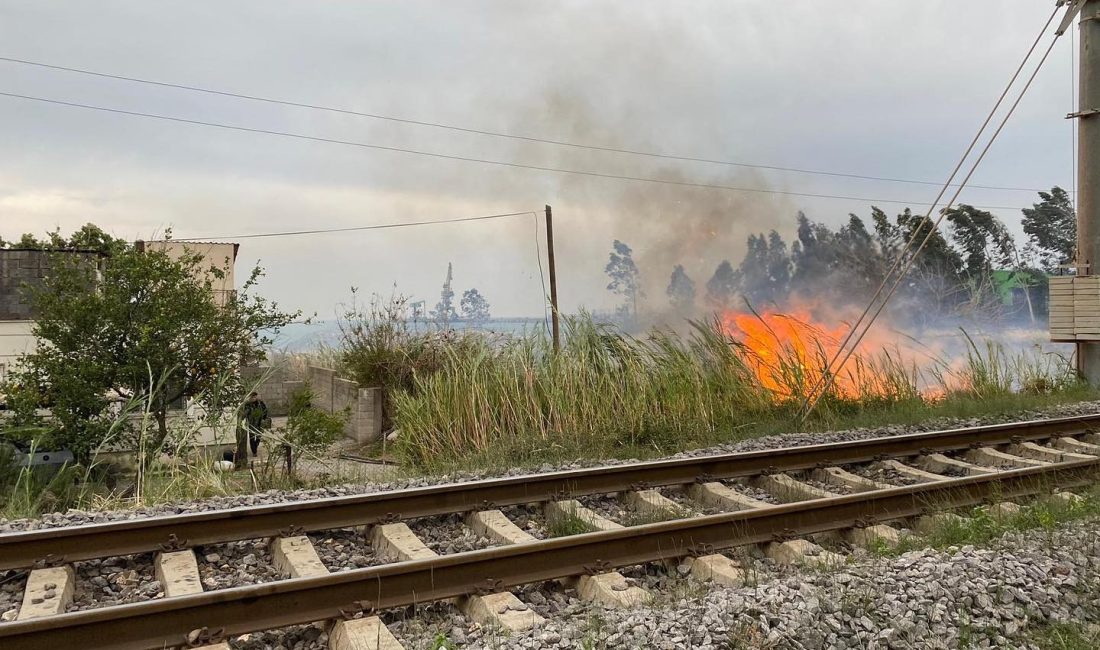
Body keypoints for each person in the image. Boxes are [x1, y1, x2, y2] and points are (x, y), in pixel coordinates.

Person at [236, 391, 271, 467]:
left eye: (255, 397)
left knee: (258, 437)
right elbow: (245, 413)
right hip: (251, 423)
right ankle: (254, 451)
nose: (254, 398)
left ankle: (256, 446)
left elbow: (265, 411)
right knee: (252, 437)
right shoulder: (248, 405)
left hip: (259, 423)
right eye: (252, 397)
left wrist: (264, 418)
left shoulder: (260, 403)